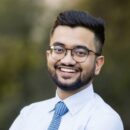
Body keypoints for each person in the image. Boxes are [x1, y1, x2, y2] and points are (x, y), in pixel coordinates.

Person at [9, 10, 124, 130]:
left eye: (80, 52)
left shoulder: (105, 120)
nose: (67, 61)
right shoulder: (29, 115)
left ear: (98, 64)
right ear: (48, 55)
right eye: (59, 49)